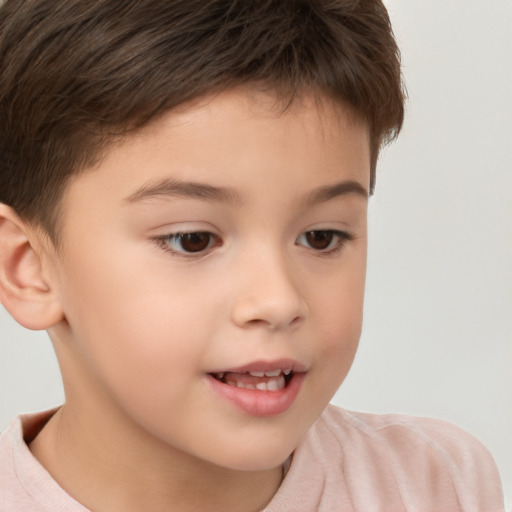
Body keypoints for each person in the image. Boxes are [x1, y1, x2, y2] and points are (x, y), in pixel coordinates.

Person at [0, 0, 505, 510]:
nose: (279, 300)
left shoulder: (435, 485)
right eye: (192, 239)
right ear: (28, 268)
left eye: (322, 237)